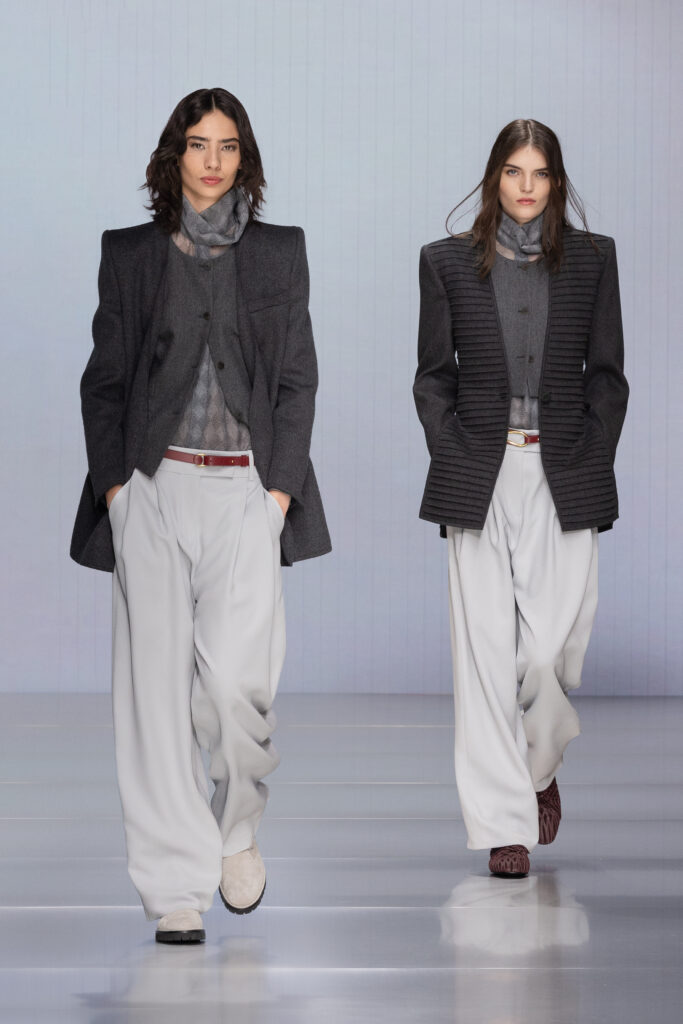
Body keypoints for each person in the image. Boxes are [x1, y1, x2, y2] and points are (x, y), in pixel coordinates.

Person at [71, 87, 331, 943]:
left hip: (246, 491)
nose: (211, 161)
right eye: (196, 145)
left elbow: (296, 378)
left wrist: (278, 494)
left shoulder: (280, 252)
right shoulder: (131, 253)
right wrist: (117, 493)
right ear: (173, 156)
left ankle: (237, 826)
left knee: (235, 689)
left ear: (243, 157)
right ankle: (174, 887)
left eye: (226, 146)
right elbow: (104, 382)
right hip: (153, 487)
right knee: (152, 697)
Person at [413, 119, 628, 878]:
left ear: (556, 182)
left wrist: (594, 451)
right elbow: (432, 376)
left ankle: (538, 768)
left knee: (546, 654)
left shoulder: (593, 260)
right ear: (493, 179)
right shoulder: (444, 262)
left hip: (563, 469)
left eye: (539, 173)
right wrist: (452, 450)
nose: (526, 186)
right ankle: (505, 824)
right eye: (513, 171)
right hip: (478, 470)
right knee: (481, 658)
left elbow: (607, 376)